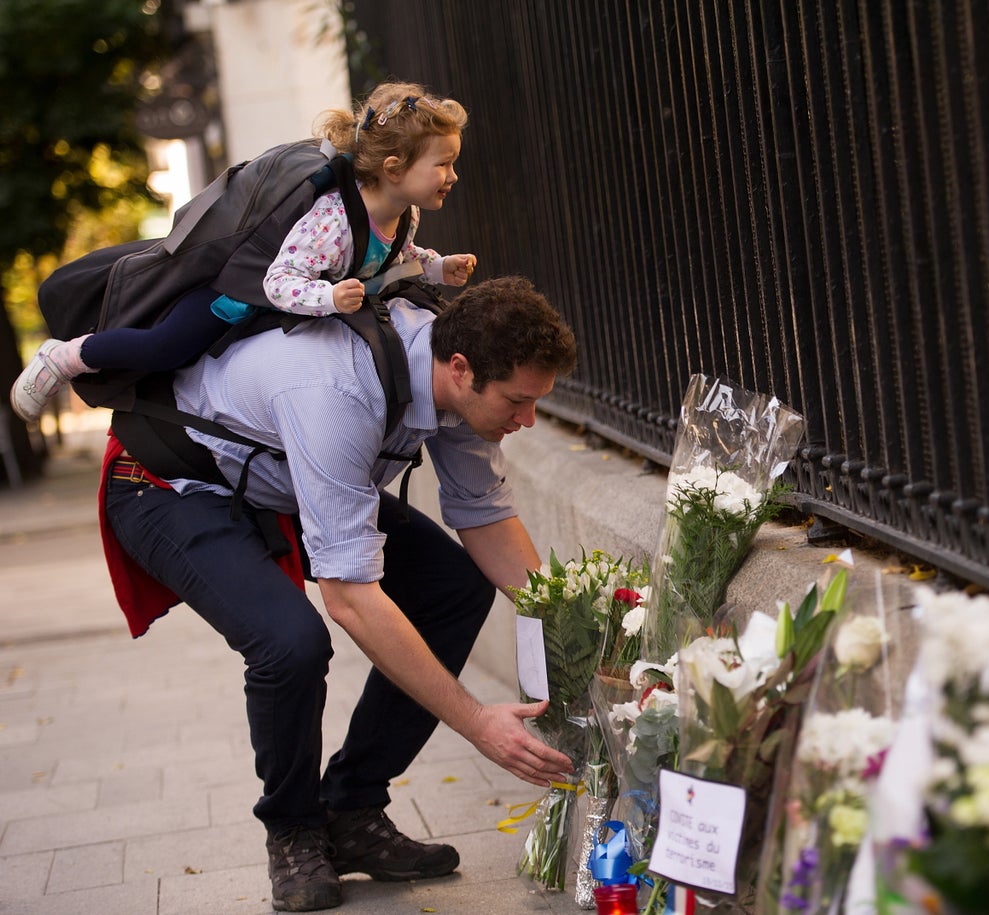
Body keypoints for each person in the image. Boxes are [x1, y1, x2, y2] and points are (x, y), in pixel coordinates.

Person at [101, 275, 578, 912]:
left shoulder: (456, 374)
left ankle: (352, 811)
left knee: (455, 587)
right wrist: (479, 726)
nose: (529, 419)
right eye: (519, 402)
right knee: (290, 643)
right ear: (460, 369)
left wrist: (579, 628)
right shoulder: (334, 389)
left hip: (282, 478)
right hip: (170, 482)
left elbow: (485, 517)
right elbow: (351, 598)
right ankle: (294, 830)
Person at [10, 79, 478, 424]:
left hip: (291, 307)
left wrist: (438, 267)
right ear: (394, 168)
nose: (453, 176)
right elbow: (279, 281)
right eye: (443, 164)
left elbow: (396, 258)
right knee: (166, 347)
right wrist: (328, 300)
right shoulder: (332, 220)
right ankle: (68, 356)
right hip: (236, 298)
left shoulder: (405, 214)